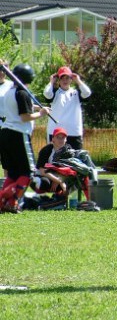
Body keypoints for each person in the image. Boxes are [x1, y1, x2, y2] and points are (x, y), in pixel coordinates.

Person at [0, 62, 50, 213]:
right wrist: (41, 114)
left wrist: (36, 107)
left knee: (14, 172)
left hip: (5, 133)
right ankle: (7, 198)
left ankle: (7, 204)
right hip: (19, 134)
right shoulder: (22, 92)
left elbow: (20, 108)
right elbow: (25, 116)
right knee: (28, 172)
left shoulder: (9, 91)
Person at [43, 66, 91, 150]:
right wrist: (51, 82)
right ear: (59, 80)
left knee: (75, 159)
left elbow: (87, 93)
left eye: (67, 78)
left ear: (71, 79)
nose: (65, 80)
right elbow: (47, 93)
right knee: (53, 159)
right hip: (55, 133)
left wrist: (78, 81)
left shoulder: (77, 93)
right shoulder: (54, 93)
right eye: (62, 78)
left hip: (74, 132)